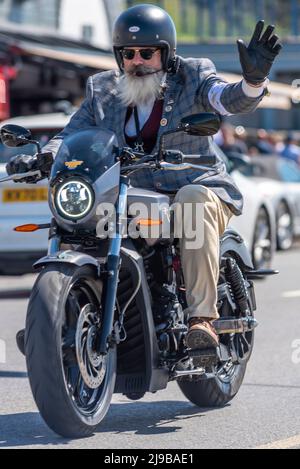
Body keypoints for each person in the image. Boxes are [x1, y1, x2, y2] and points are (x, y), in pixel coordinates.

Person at [7, 4, 282, 355]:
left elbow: (226, 99)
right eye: (128, 54)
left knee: (192, 201)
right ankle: (58, 316)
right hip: (130, 192)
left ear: (165, 54)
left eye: (147, 53)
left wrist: (253, 82)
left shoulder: (195, 74)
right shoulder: (101, 88)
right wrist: (45, 154)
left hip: (197, 186)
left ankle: (201, 320)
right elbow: (74, 131)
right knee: (80, 215)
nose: (137, 61)